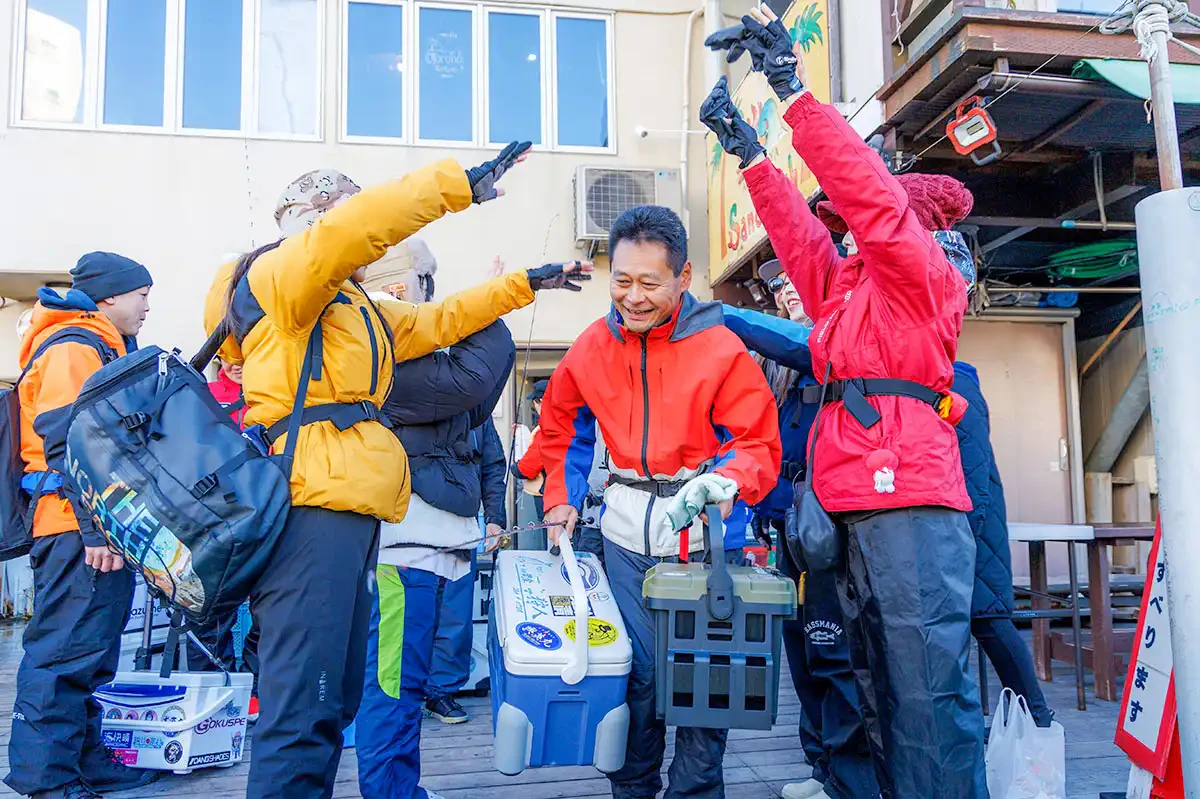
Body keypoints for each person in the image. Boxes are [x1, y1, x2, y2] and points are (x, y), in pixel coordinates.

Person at [201, 144, 592, 799]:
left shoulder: (349, 309)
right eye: (343, 217)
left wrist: (524, 283)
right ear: (314, 221)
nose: (361, 240)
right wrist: (458, 185)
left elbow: (439, 322)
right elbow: (359, 229)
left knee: (331, 703)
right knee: (301, 713)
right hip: (310, 512)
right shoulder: (280, 278)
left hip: (352, 515)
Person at [702, 8, 985, 795]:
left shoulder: (920, 275)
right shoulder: (848, 288)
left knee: (927, 695)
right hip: (847, 498)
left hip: (911, 501)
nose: (849, 231)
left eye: (862, 222)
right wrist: (752, 156)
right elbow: (802, 241)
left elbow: (873, 203)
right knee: (872, 687)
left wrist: (794, 95)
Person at [537, 205, 781, 799]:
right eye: (622, 280)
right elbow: (561, 427)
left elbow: (756, 440)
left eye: (650, 283)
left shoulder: (722, 348)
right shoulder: (591, 346)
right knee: (632, 683)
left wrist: (723, 482)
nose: (634, 297)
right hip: (621, 541)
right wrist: (559, 498)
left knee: (706, 693)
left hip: (703, 545)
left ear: (683, 277)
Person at [356, 246, 528, 799]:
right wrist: (487, 304)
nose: (436, 292)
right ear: (403, 289)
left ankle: (402, 790)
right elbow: (472, 381)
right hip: (398, 556)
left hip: (417, 551)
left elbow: (472, 410)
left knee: (401, 690)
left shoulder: (395, 339)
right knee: (391, 692)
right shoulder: (381, 339)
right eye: (428, 279)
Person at [723, 261, 878, 799]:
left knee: (834, 653)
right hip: (783, 527)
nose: (786, 287)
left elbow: (802, 342)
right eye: (779, 283)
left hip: (830, 529)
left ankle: (850, 778)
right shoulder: (778, 367)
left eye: (797, 277)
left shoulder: (836, 342)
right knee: (802, 653)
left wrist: (720, 314)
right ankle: (822, 767)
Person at [7, 253, 158, 799]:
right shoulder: (75, 344)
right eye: (141, 293)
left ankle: (86, 762)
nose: (147, 304)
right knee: (63, 653)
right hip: (76, 525)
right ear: (110, 297)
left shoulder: (99, 343)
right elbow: (67, 440)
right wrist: (97, 531)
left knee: (91, 651)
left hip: (90, 522)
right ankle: (46, 781)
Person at [954, 362, 1055, 728]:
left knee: (990, 620)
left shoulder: (956, 380)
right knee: (987, 622)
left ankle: (1038, 723)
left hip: (968, 524)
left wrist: (963, 532)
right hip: (963, 522)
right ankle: (1035, 721)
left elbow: (973, 466)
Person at [424, 417, 509, 725]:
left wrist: (495, 518)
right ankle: (401, 693)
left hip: (462, 523)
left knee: (454, 611)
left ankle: (440, 690)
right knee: (402, 611)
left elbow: (494, 464)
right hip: (405, 522)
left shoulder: (477, 409)